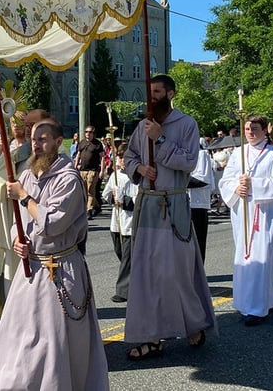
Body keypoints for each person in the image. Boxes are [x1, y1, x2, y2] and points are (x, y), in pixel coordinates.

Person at [0, 119, 108, 390]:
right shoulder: (27, 174)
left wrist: (25, 197)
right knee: (22, 337)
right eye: (33, 139)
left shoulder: (68, 179)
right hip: (31, 269)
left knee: (56, 341)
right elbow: (19, 222)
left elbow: (51, 223)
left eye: (43, 139)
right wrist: (18, 240)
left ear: (58, 142)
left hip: (61, 269)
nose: (36, 145)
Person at [123, 74, 216, 359]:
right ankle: (152, 336)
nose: (152, 96)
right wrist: (139, 169)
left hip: (174, 204)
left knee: (176, 271)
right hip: (148, 204)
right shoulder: (142, 126)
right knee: (146, 274)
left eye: (158, 91)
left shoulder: (186, 124)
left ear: (171, 94)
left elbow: (189, 163)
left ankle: (192, 322)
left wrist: (160, 140)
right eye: (149, 91)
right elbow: (129, 157)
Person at [0, 109, 50, 328]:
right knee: (6, 263)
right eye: (20, 123)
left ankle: (26, 313)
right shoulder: (10, 150)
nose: (24, 128)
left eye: (29, 124)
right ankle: (5, 308)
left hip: (32, 215)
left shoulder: (47, 151)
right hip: (10, 215)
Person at [219, 114, 273, 326]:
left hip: (266, 212)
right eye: (247, 128)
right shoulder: (239, 153)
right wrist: (236, 188)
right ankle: (245, 302)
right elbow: (226, 180)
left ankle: (258, 308)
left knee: (262, 257)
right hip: (242, 210)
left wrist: (253, 184)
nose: (250, 132)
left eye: (255, 128)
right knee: (245, 256)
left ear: (265, 130)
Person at [102, 142, 138, 303]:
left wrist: (124, 201)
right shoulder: (116, 175)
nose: (122, 160)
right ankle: (138, 279)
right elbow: (105, 194)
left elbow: (139, 201)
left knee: (127, 258)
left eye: (125, 157)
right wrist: (112, 198)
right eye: (120, 157)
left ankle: (123, 291)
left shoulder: (136, 177)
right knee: (120, 253)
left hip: (130, 223)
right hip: (117, 223)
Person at [188, 141, 216, 262]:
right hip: (181, 202)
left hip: (197, 203)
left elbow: (202, 179)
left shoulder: (201, 154)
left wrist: (179, 179)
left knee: (198, 240)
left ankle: (198, 273)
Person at [75, 124, 106, 220]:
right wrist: (75, 165)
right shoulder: (82, 143)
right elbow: (78, 154)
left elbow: (102, 158)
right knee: (84, 191)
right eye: (86, 132)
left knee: (90, 191)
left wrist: (102, 171)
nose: (88, 134)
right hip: (83, 170)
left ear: (93, 133)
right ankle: (96, 206)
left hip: (93, 171)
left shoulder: (97, 144)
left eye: (90, 132)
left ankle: (89, 210)